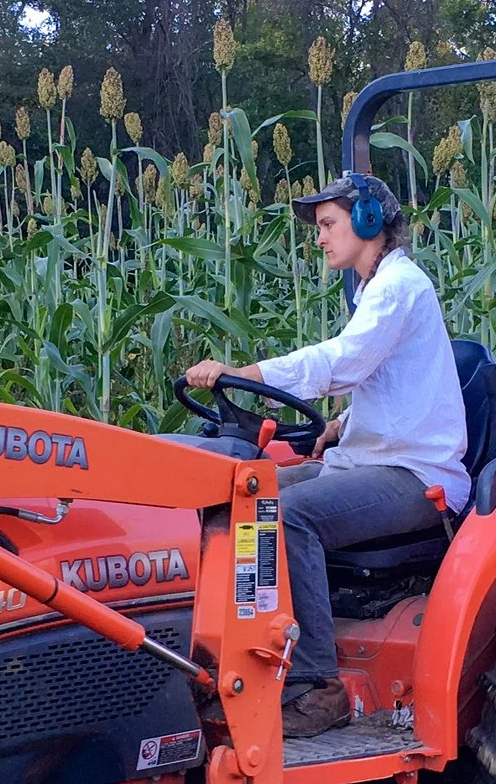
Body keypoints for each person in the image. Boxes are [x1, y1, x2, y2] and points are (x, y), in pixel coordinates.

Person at [183, 172, 469, 740]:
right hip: (369, 458)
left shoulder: (399, 287)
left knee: (287, 518)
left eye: (328, 224)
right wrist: (343, 423)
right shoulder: (374, 289)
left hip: (415, 475)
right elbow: (392, 384)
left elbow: (346, 361)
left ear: (368, 222)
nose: (319, 238)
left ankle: (319, 685)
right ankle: (235, 658)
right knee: (240, 495)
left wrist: (247, 374)